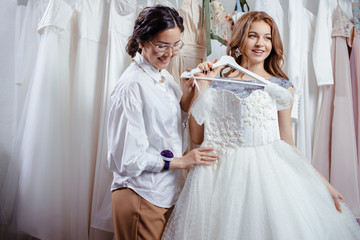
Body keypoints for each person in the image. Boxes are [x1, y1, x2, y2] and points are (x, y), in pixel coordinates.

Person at [162, 11, 360, 239]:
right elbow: (197, 137)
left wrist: (324, 185)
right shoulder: (215, 81)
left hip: (266, 176)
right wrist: (203, 86)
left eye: (267, 38)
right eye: (253, 36)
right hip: (216, 178)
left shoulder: (281, 87)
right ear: (240, 40)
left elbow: (288, 144)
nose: (261, 44)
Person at [107, 5, 217, 240]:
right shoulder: (131, 87)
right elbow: (130, 159)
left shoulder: (164, 76)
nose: (169, 53)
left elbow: (167, 126)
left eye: (175, 45)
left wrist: (187, 97)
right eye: (162, 46)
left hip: (164, 192)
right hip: (141, 195)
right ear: (142, 41)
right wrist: (183, 162)